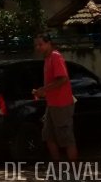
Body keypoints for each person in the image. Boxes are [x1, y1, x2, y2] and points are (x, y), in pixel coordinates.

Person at [32, 33, 78, 161]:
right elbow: (54, 83)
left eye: (40, 44)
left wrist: (43, 90)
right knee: (48, 136)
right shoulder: (48, 59)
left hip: (62, 104)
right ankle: (57, 167)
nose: (38, 47)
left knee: (67, 139)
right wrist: (42, 92)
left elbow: (62, 79)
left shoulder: (55, 57)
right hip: (52, 104)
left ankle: (73, 172)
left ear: (48, 43)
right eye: (36, 45)